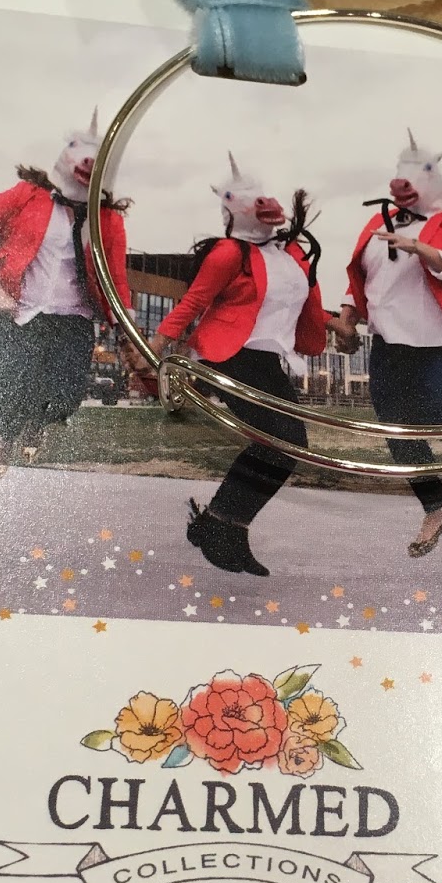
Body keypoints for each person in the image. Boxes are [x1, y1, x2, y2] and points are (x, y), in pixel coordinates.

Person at [153, 154, 327, 576]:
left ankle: (222, 526)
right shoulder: (230, 253)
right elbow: (195, 301)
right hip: (230, 355)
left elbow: (300, 302)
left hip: (267, 359)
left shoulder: (291, 255)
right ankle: (222, 527)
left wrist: (337, 326)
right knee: (282, 442)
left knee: (286, 445)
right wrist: (156, 346)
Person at [330, 130, 442, 557]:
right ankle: (436, 509)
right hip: (393, 345)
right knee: (396, 427)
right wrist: (348, 317)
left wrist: (421, 248)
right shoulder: (378, 224)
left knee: (441, 414)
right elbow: (363, 278)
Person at [0, 110, 132, 482]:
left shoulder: (109, 221)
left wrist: (128, 337)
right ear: (64, 154)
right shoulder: (26, 196)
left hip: (73, 319)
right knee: (16, 385)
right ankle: (3, 436)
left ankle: (38, 423)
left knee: (67, 395)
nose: (88, 162)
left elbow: (117, 282)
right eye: (79, 150)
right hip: (21, 313)